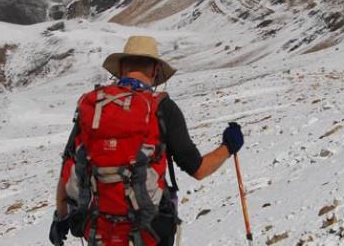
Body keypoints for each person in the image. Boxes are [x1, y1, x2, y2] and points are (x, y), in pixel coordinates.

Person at [49, 36, 245, 246]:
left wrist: (60, 218)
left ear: (122, 67)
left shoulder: (92, 106)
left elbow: (68, 166)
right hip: (150, 230)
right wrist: (229, 146)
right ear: (155, 71)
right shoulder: (162, 108)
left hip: (98, 229)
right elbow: (198, 169)